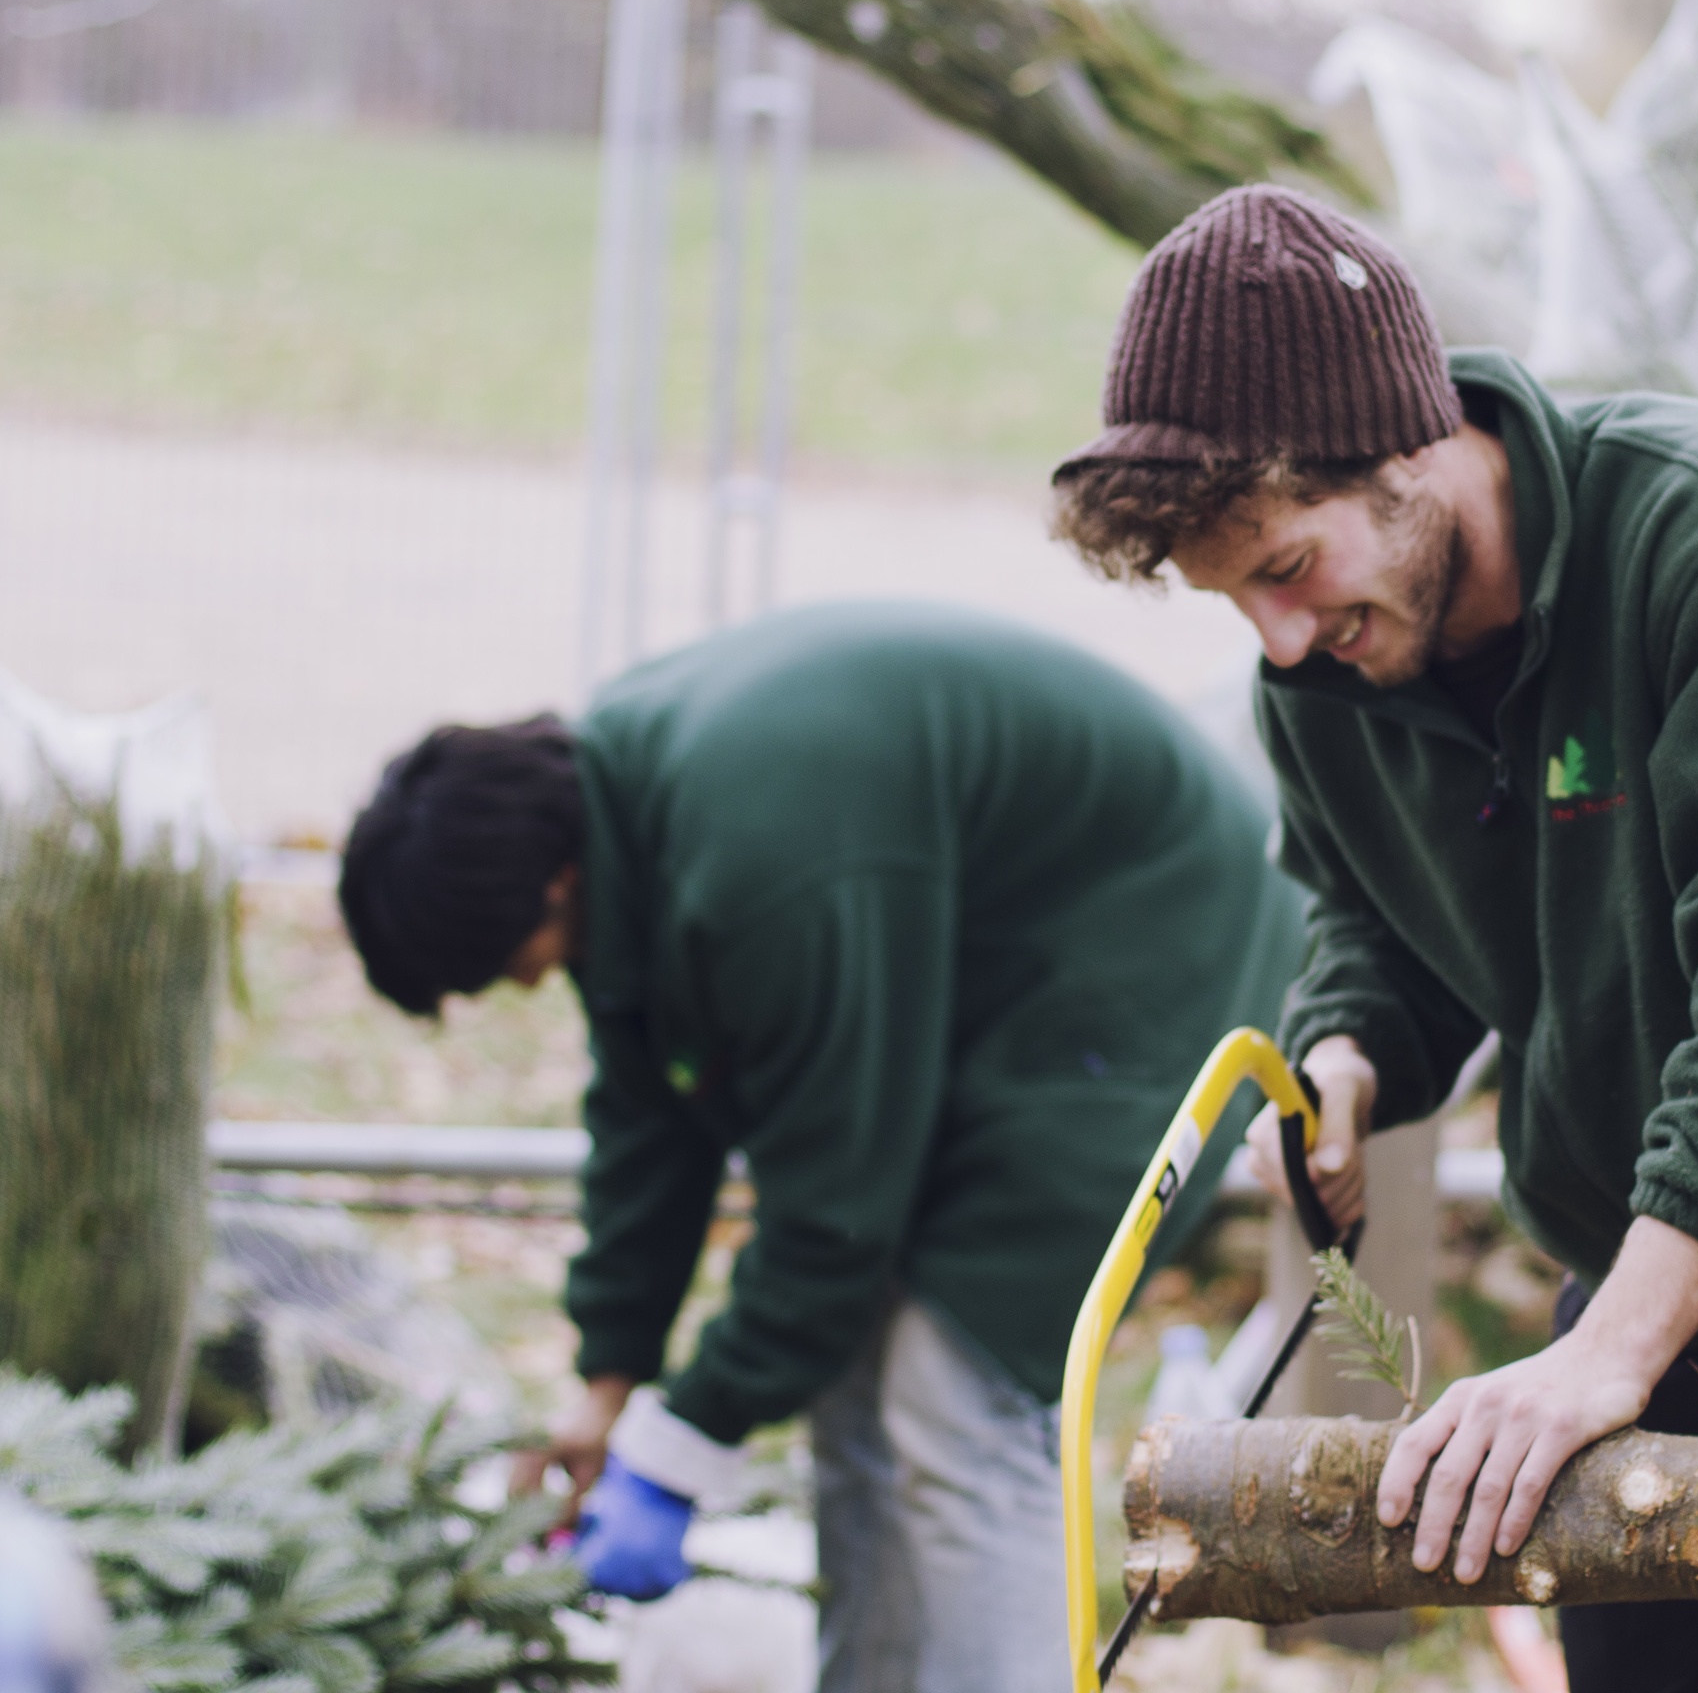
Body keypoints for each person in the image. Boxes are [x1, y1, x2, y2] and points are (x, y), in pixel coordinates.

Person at [1049, 186, 1698, 1692]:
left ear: (1406, 445)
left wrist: (1606, 1359)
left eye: (1285, 567)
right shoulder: (1323, 679)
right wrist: (1348, 1053)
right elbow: (1376, 912)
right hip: (1658, 1294)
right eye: (1233, 602)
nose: (1274, 640)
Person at [336, 601, 1307, 1693]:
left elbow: (837, 1209)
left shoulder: (767, 854)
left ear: (551, 884)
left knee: (957, 1394)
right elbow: (650, 1122)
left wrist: (681, 1448)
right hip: (987, 977)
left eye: (505, 965)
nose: (517, 985)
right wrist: (609, 1391)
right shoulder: (608, 814)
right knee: (852, 1382)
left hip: (1151, 956)